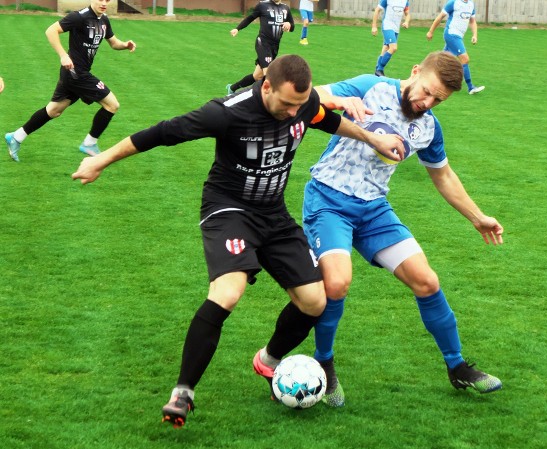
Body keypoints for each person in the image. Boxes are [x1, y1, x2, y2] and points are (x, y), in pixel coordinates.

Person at [71, 55, 406, 427]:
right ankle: (183, 392)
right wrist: (101, 159)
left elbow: (326, 119)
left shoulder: (303, 102)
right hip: (229, 210)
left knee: (315, 301)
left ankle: (269, 361)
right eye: (287, 104)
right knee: (228, 292)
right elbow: (161, 133)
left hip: (274, 214)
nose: (294, 111)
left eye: (300, 104)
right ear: (266, 86)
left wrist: (372, 136)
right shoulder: (226, 113)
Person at [253, 51, 503, 408]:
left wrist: (478, 217)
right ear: (415, 71)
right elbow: (313, 96)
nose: (427, 102)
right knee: (336, 283)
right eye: (426, 91)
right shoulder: (372, 87)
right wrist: (340, 100)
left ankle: (458, 366)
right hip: (329, 200)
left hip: (374, 210)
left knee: (427, 281)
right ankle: (325, 364)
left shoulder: (429, 128)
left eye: (438, 100)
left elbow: (443, 175)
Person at [4, 0, 136, 163]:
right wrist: (63, 55)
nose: (103, 3)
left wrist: (125, 45)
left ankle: (16, 137)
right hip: (76, 73)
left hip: (75, 73)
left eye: (107, 0)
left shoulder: (103, 20)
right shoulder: (79, 17)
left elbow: (114, 42)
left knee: (54, 110)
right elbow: (51, 30)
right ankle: (90, 143)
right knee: (112, 105)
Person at [226, 0, 294, 95]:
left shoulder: (285, 8)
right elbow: (250, 18)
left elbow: (292, 27)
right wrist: (237, 28)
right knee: (268, 75)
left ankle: (232, 88)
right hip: (263, 43)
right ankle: (263, 101)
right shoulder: (263, 5)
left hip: (274, 46)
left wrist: (289, 25)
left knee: (257, 76)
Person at [426, 0, 484, 95]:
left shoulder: (471, 4)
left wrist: (475, 35)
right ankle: (470, 87)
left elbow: (472, 21)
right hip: (451, 34)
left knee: (443, 60)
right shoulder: (453, 3)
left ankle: (427, 77)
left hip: (458, 36)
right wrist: (430, 31)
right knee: (464, 59)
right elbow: (440, 17)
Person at [371, 0, 410, 77]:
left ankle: (378, 71)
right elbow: (377, 10)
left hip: (396, 28)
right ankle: (379, 69)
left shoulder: (405, 1)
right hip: (387, 26)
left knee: (386, 48)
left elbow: (407, 13)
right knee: (393, 48)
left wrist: (407, 22)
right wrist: (374, 26)